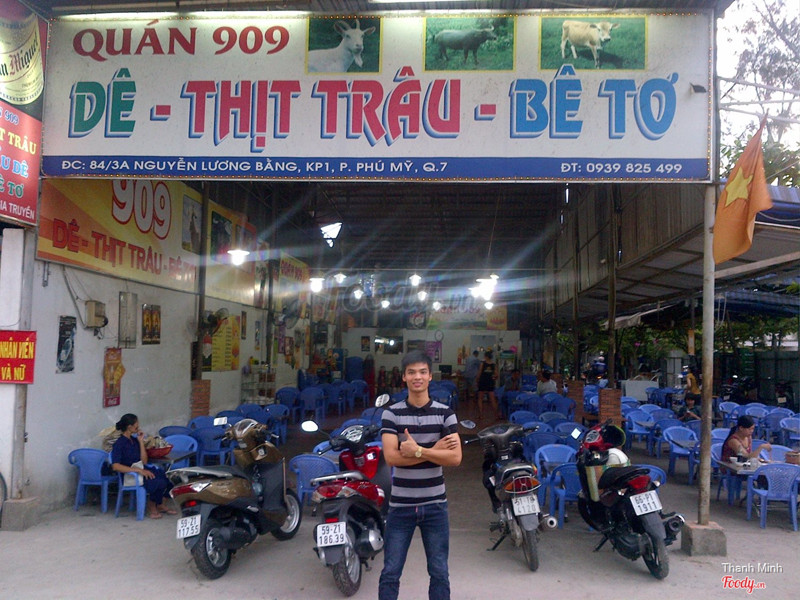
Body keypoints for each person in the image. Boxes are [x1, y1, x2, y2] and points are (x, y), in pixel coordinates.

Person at [379, 350, 462, 600]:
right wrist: (434, 451)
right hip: (400, 506)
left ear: (430, 376)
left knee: (439, 572)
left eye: (423, 372)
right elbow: (392, 458)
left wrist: (418, 450)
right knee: (391, 572)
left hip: (435, 505)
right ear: (404, 377)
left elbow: (455, 458)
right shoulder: (391, 414)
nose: (418, 377)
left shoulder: (445, 414)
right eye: (412, 372)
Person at [110, 413, 175, 519]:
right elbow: (115, 466)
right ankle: (152, 506)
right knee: (156, 481)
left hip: (141, 469)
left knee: (168, 478)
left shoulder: (134, 441)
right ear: (129, 427)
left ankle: (160, 505)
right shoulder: (119, 444)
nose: (138, 426)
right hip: (129, 474)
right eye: (136, 424)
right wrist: (138, 470)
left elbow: (144, 461)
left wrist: (140, 442)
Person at [476, 350, 500, 420]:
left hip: (482, 382)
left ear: (486, 356)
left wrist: (477, 380)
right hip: (490, 382)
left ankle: (481, 415)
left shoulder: (482, 364)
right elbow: (496, 375)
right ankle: (496, 415)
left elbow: (479, 373)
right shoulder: (494, 365)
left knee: (480, 399)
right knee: (492, 399)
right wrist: (493, 378)